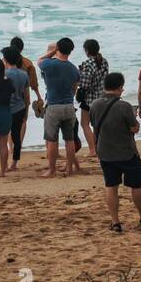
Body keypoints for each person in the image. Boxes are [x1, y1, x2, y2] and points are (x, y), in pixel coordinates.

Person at [90, 71, 141, 232]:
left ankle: (115, 222)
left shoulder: (95, 104)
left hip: (105, 152)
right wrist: (133, 115)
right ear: (120, 88)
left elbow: (94, 125)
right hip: (127, 152)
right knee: (136, 186)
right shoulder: (124, 106)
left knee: (111, 186)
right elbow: (134, 128)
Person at [38, 37, 82, 178]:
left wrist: (51, 52)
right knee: (69, 139)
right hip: (69, 106)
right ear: (71, 51)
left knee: (52, 140)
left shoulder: (48, 64)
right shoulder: (74, 69)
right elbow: (74, 89)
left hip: (53, 106)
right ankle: (69, 168)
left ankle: (52, 170)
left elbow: (39, 61)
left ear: (58, 49)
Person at [77, 39, 109, 158]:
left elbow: (85, 84)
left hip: (90, 98)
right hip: (103, 97)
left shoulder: (87, 63)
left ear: (87, 51)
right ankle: (100, 148)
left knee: (84, 123)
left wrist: (79, 74)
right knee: (97, 125)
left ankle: (92, 150)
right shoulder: (104, 61)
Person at [9, 37, 42, 152]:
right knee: (22, 121)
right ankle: (19, 146)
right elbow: (34, 84)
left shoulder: (4, 62)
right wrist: (39, 97)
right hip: (23, 96)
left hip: (7, 96)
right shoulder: (27, 63)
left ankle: (10, 147)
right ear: (22, 49)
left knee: (9, 122)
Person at [3, 46, 31, 171]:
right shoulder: (24, 74)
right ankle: (14, 163)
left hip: (5, 109)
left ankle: (4, 162)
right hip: (20, 108)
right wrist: (26, 111)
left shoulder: (4, 74)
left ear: (5, 59)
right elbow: (26, 95)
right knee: (16, 136)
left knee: (3, 136)